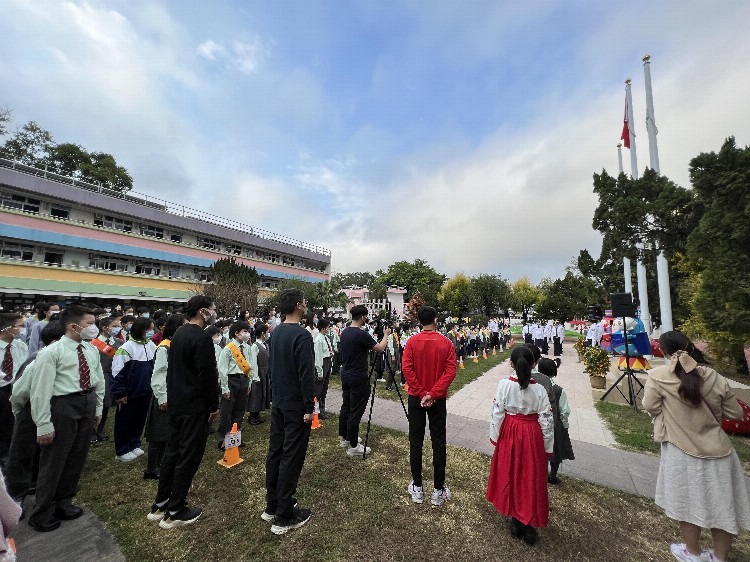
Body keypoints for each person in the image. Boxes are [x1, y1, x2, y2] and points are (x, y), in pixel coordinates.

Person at [643, 331, 750, 562]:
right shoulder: (713, 376)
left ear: (662, 351)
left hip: (680, 449)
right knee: (722, 506)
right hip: (718, 450)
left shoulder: (659, 376)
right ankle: (719, 556)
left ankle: (692, 552)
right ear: (691, 347)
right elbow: (736, 413)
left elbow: (650, 405)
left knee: (686, 502)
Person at [28, 306, 105, 532]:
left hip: (86, 402)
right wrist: (43, 423)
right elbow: (40, 390)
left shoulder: (90, 350)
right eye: (90, 323)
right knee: (54, 459)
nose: (94, 327)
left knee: (76, 456)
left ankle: (65, 501)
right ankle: (42, 510)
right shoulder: (53, 352)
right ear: (74, 326)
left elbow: (98, 380)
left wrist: (98, 408)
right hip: (62, 405)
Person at [147, 296, 220, 529]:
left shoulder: (178, 334)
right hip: (194, 405)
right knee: (188, 455)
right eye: (212, 310)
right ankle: (176, 509)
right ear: (202, 312)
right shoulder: (201, 338)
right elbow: (207, 375)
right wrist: (213, 405)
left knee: (173, 452)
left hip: (177, 403)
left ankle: (162, 502)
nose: (214, 313)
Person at [486, 345, 553, 546]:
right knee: (530, 476)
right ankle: (528, 524)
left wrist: (495, 437)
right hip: (532, 435)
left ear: (511, 364)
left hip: (511, 431)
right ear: (534, 364)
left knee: (511, 472)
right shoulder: (540, 390)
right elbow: (547, 421)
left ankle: (516, 519)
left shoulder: (504, 385)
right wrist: (548, 446)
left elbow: (497, 412)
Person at [262, 288, 315, 535]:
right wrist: (308, 406)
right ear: (298, 306)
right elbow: (306, 375)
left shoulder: (276, 333)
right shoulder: (302, 336)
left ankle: (272, 504)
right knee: (290, 456)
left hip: (280, 401)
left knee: (276, 452)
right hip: (295, 405)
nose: (306, 305)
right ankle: (283, 515)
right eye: (304, 302)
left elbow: (273, 369)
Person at [402, 306, 456, 506]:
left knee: (416, 442)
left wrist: (422, 393)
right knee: (438, 443)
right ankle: (437, 490)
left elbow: (407, 369)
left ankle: (418, 487)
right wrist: (431, 394)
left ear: (419, 321)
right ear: (435, 319)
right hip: (436, 399)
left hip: (418, 398)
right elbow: (450, 372)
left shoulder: (412, 342)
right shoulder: (446, 343)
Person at [7, 321, 64, 509]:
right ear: (56, 341)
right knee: (23, 453)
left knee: (45, 454)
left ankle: (41, 485)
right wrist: (19, 413)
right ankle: (16, 498)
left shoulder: (63, 357)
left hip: (53, 411)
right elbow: (19, 392)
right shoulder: (37, 359)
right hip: (32, 410)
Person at [338, 305, 389, 456]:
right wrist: (386, 335)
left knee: (346, 406)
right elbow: (379, 348)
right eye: (365, 317)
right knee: (356, 410)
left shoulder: (345, 331)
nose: (366, 319)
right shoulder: (361, 334)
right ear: (361, 317)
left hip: (346, 374)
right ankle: (353, 446)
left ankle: (345, 438)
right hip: (358, 376)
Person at [144, 314, 185, 480]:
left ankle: (163, 463)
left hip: (174, 394)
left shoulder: (176, 345)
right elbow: (158, 375)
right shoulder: (164, 347)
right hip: (164, 395)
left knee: (168, 433)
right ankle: (151, 468)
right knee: (158, 434)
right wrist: (162, 397)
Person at [111, 317, 157, 462]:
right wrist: (120, 392)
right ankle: (122, 449)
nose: (151, 331)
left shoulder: (150, 345)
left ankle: (134, 443)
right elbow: (117, 372)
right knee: (125, 420)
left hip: (145, 390)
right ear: (141, 330)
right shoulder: (126, 348)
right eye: (149, 329)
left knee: (139, 418)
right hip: (130, 391)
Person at [216, 321, 253, 449]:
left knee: (240, 410)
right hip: (231, 381)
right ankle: (223, 439)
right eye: (245, 331)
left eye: (247, 331)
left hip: (244, 380)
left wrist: (249, 383)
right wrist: (225, 388)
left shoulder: (247, 347)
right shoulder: (228, 349)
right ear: (236, 333)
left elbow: (249, 366)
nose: (247, 334)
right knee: (227, 411)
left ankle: (236, 437)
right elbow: (222, 370)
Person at [537, 358, 574, 484]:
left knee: (540, 451)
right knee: (555, 452)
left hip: (537, 423)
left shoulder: (535, 386)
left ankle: (540, 475)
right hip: (555, 424)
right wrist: (565, 425)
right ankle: (552, 476)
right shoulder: (558, 390)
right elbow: (564, 411)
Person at [0, 313, 28, 467]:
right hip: (1, 389)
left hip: (15, 389)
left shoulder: (20, 346)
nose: (23, 329)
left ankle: (6, 454)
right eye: (20, 326)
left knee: (10, 424)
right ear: (7, 328)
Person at [90, 316, 123, 444]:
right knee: (98, 402)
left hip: (113, 375)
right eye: (114, 326)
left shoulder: (119, 342)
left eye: (118, 326)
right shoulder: (93, 343)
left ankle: (101, 429)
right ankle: (92, 430)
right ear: (104, 328)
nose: (117, 328)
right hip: (99, 375)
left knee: (107, 404)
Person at [247, 323, 270, 425]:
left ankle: (257, 413)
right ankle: (252, 415)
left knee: (262, 393)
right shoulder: (255, 346)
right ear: (263, 333)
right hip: (258, 372)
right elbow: (253, 362)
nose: (268, 334)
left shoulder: (265, 345)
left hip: (264, 371)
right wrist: (255, 376)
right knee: (256, 394)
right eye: (267, 332)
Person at [312, 318, 333, 419]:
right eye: (328, 327)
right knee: (318, 390)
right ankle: (316, 411)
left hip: (327, 362)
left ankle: (322, 409)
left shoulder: (325, 338)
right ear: (323, 328)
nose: (329, 329)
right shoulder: (318, 340)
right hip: (322, 363)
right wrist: (320, 371)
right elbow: (318, 357)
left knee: (324, 389)